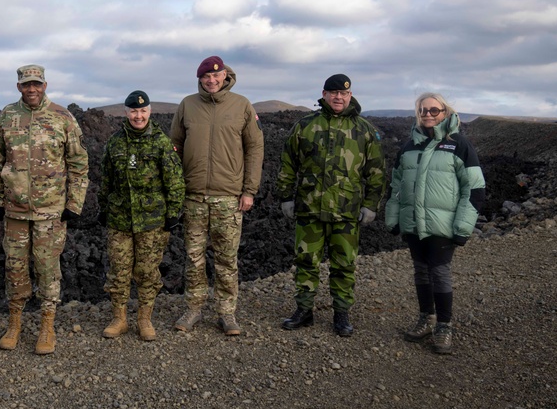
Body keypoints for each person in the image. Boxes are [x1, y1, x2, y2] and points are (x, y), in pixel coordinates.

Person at [0, 64, 89, 355]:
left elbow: (79, 163)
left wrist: (74, 204)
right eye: (26, 84)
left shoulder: (62, 117)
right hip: (15, 212)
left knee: (47, 269)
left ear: (45, 85)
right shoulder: (7, 116)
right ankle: (15, 323)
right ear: (19, 86)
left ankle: (47, 326)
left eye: (37, 84)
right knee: (15, 269)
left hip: (51, 213)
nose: (32, 89)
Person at [276, 73, 385, 337]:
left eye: (344, 93)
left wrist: (371, 205)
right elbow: (288, 163)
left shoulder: (364, 130)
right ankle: (304, 310)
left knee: (344, 264)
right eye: (333, 92)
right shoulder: (305, 126)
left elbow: (376, 172)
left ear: (350, 95)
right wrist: (285, 196)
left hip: (346, 211)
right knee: (305, 261)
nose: (339, 97)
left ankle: (342, 313)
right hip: (309, 208)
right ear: (324, 94)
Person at [169, 56, 264, 336]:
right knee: (193, 257)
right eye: (206, 77)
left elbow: (255, 149)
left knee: (226, 259)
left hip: (229, 198)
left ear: (225, 75)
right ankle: (194, 309)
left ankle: (227, 313)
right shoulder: (187, 105)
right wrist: (176, 188)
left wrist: (249, 190)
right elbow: (173, 145)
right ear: (199, 79)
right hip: (194, 197)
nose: (211, 80)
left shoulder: (242, 105)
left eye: (216, 75)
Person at [386, 93, 485, 355]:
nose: (428, 114)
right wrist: (394, 218)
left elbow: (473, 189)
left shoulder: (459, 145)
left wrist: (463, 227)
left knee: (439, 273)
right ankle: (426, 318)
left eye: (433, 110)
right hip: (414, 223)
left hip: (443, 224)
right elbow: (396, 186)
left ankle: (443, 325)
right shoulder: (408, 147)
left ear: (445, 112)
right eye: (422, 110)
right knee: (420, 271)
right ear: (417, 114)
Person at [98, 90, 185, 341]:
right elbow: (106, 180)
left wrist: (172, 213)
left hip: (152, 222)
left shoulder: (161, 142)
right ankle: (119, 319)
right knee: (119, 270)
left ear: (149, 111)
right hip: (120, 220)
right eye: (134, 111)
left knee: (147, 271)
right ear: (126, 113)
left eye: (143, 111)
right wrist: (103, 209)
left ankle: (144, 319)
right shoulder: (115, 142)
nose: (138, 116)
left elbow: (175, 181)